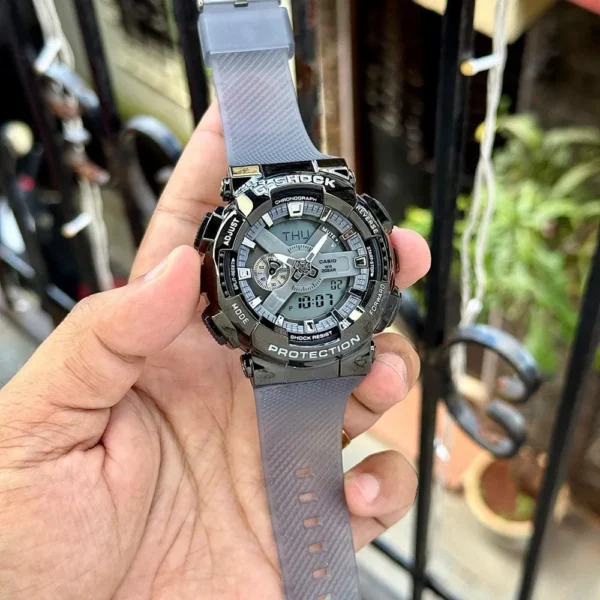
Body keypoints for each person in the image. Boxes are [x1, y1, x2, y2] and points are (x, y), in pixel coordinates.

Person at [0, 104, 431, 600]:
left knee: (385, 379)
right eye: (285, 270)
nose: (300, 273)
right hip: (274, 351)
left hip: (327, 345)